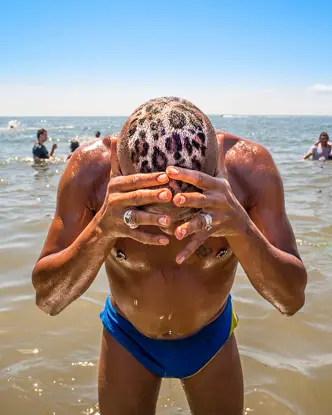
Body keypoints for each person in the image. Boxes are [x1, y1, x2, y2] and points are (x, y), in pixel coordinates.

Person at [32, 97, 307, 415]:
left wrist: (240, 228)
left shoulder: (250, 170)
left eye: (190, 207)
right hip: (128, 335)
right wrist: (101, 229)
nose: (171, 229)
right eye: (150, 210)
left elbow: (291, 300)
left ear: (215, 172)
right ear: (119, 172)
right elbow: (48, 300)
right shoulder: (90, 173)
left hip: (211, 334)